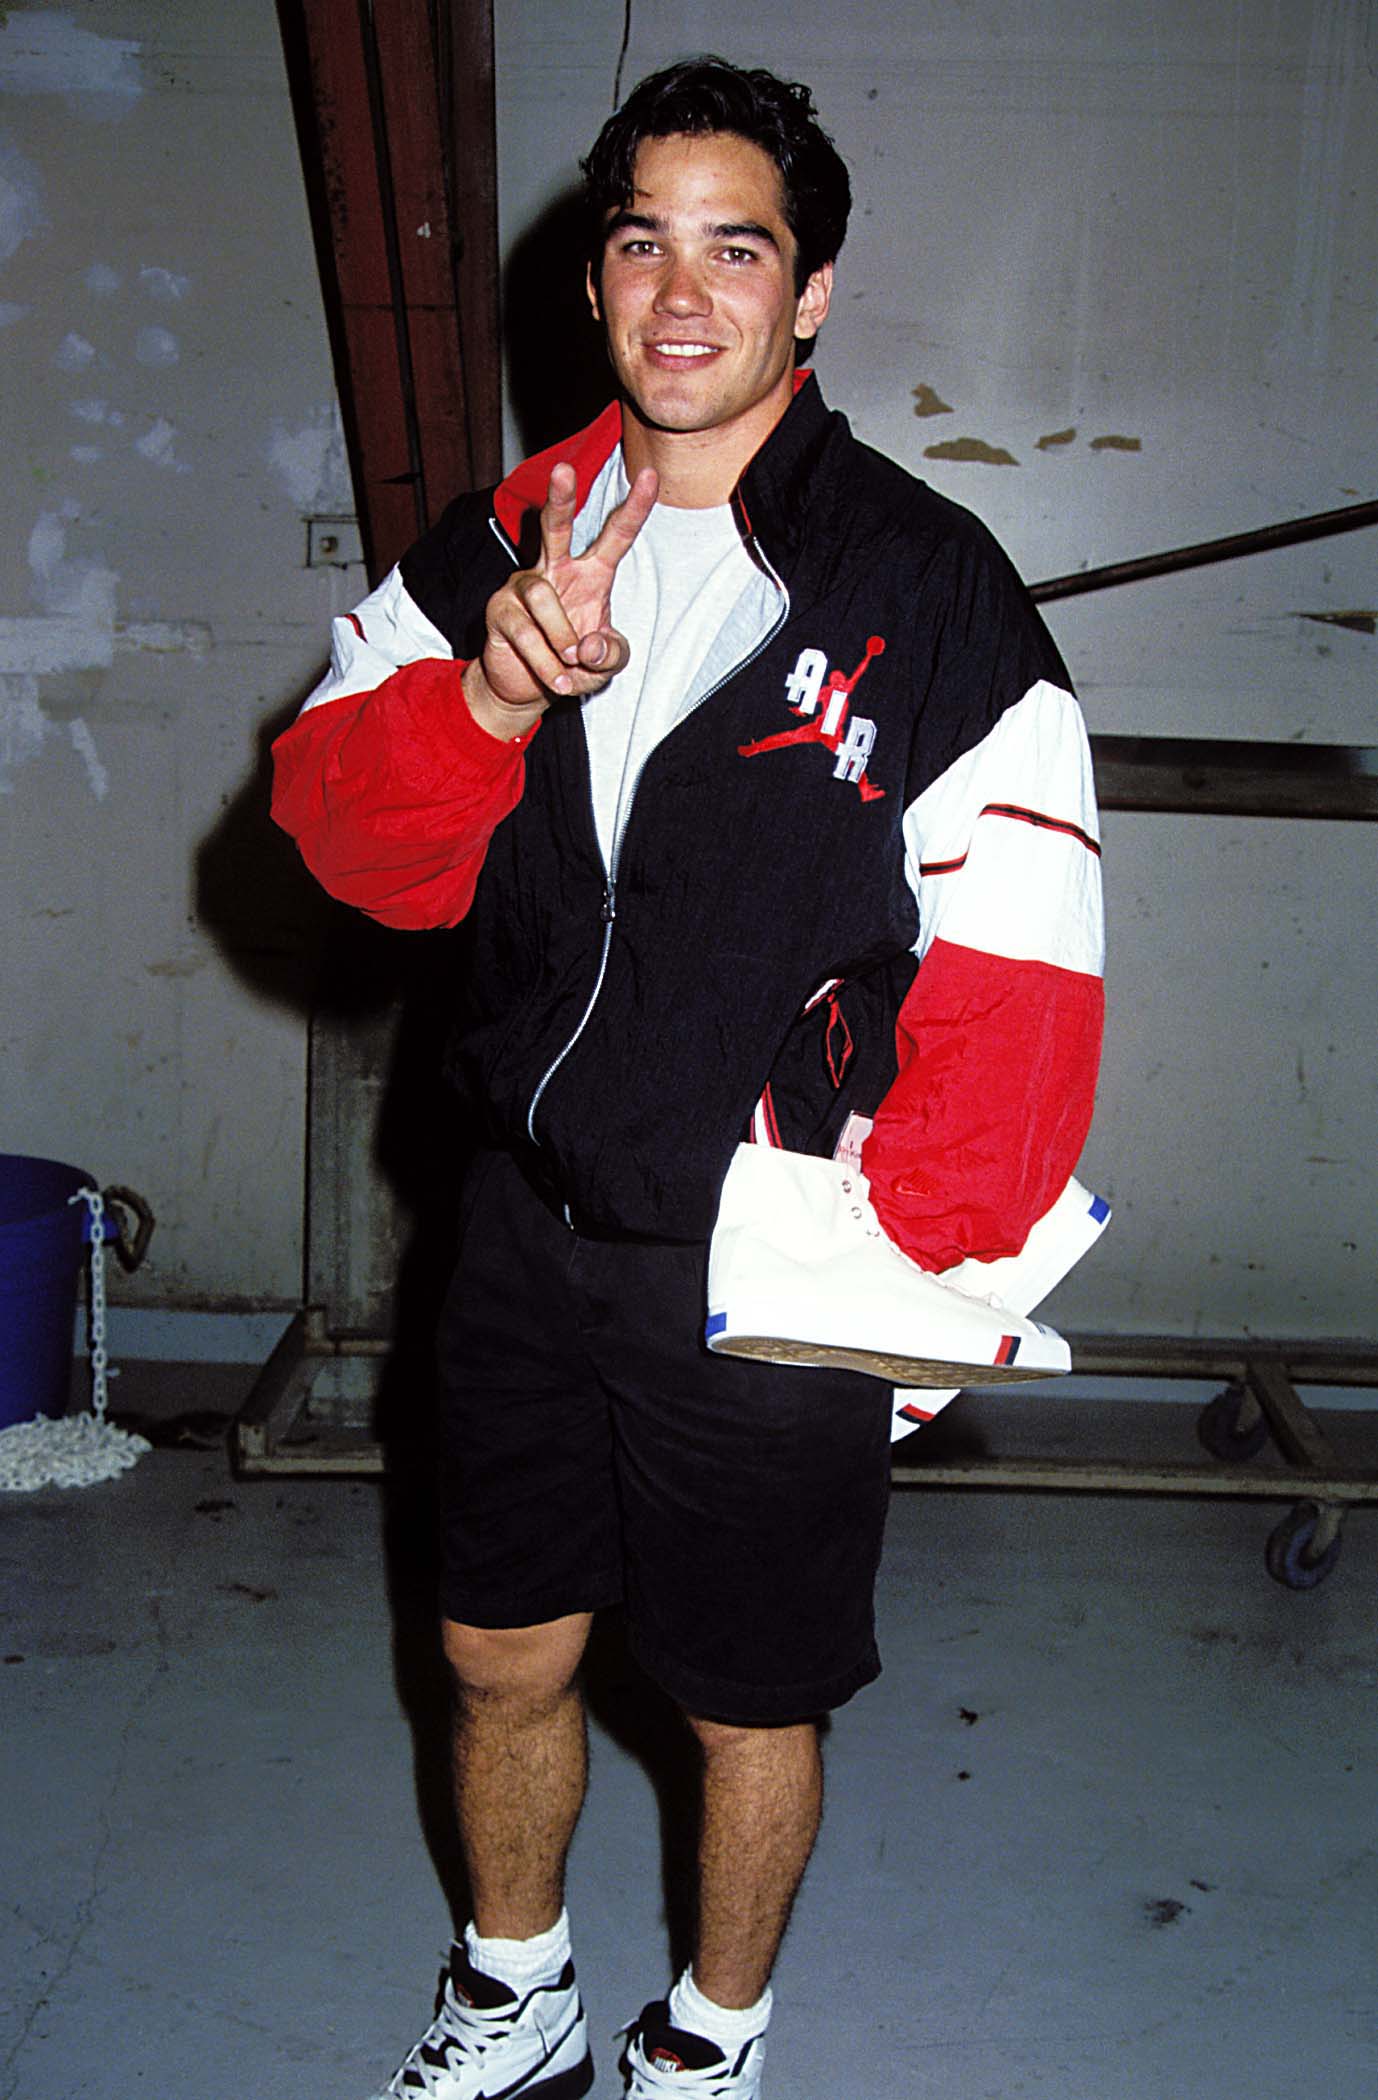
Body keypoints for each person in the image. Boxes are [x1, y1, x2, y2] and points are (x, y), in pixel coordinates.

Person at [271, 54, 1104, 2100]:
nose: (678, 293)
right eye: (640, 240)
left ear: (808, 292)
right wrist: (483, 686)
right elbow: (337, 840)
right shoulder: (507, 535)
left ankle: (707, 2038)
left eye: (734, 247)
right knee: (494, 1650)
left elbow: (1026, 965)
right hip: (516, 1217)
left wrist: (920, 1284)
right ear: (592, 278)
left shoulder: (927, 594)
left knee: (745, 1701)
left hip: (766, 1249)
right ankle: (514, 1986)